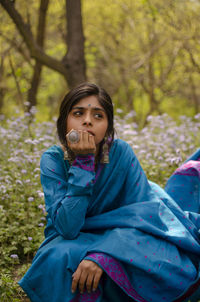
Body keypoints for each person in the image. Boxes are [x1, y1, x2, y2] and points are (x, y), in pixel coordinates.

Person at [19, 83, 200, 302]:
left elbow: (143, 214)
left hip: (125, 234)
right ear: (64, 121)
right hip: (75, 236)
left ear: (108, 126)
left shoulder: (121, 152)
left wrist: (104, 254)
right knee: (57, 258)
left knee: (167, 260)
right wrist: (83, 163)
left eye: (98, 115)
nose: (87, 120)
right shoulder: (53, 159)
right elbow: (67, 228)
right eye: (78, 113)